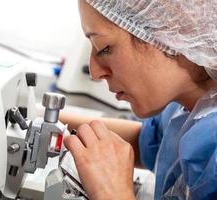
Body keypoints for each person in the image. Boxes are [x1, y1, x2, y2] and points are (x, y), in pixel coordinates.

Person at [61, 0, 217, 199]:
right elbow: (146, 143)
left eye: (104, 47)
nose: (94, 72)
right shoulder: (190, 108)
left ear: (172, 34)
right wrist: (47, 119)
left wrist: (111, 193)